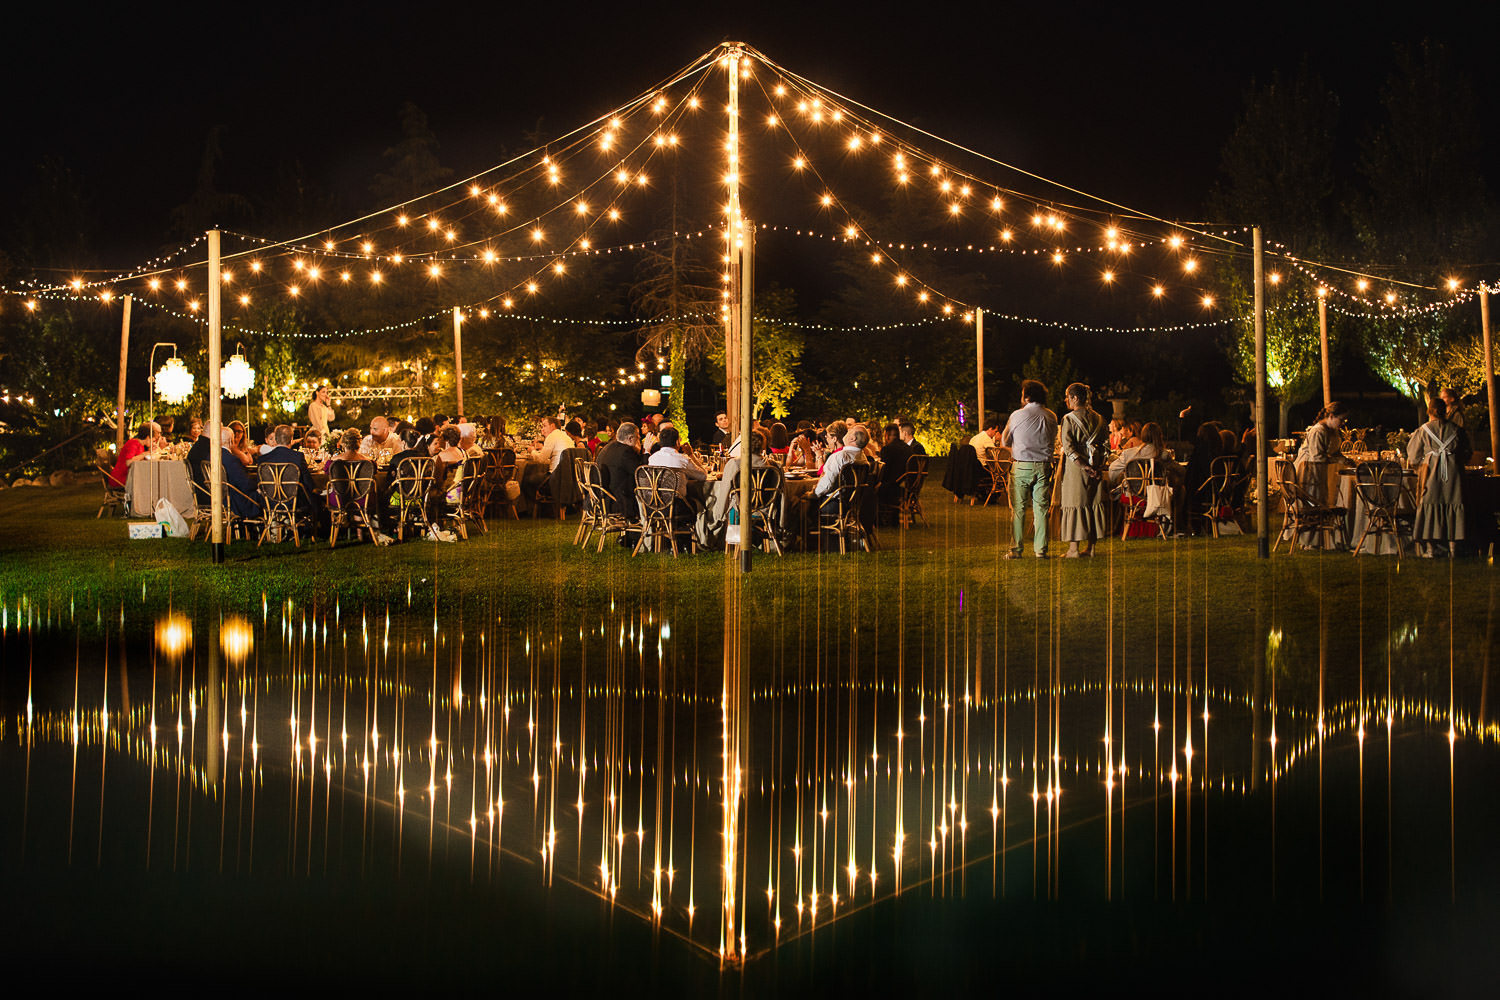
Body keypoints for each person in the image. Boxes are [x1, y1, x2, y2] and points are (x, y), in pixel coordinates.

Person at [1407, 396, 1470, 557]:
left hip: (1431, 471)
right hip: (1454, 471)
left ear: (1430, 411)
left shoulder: (1423, 430)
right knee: (1453, 503)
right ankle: (1453, 548)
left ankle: (1430, 549)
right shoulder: (1457, 429)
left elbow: (1413, 456)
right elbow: (1467, 452)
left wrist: (1420, 465)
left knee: (1429, 504)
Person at [1001, 380, 1058, 558]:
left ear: (1026, 396)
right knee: (1041, 509)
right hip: (1043, 466)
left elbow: (1004, 441)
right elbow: (1053, 439)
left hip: (1021, 465)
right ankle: (1040, 550)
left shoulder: (1017, 415)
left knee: (1018, 509)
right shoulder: (1051, 416)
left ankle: (1016, 549)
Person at [1058, 383, 1108, 557]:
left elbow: (1069, 447)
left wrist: (1084, 466)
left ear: (1075, 398)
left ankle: (1074, 549)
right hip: (1096, 467)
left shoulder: (1068, 419)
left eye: (1068, 396)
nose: (1066, 400)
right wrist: (1098, 466)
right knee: (1092, 504)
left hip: (1077, 468)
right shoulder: (1100, 419)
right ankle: (1091, 548)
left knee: (1075, 503)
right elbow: (1106, 447)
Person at [699, 429, 769, 548]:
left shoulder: (735, 464)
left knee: (728, 500)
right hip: (767, 508)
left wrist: (719, 516)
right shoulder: (772, 465)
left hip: (741, 508)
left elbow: (725, 490)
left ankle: (728, 541)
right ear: (762, 445)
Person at [259, 423, 323, 526]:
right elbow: (307, 481)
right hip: (293, 502)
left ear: (276, 438)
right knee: (317, 497)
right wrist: (316, 490)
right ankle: (319, 529)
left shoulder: (263, 459)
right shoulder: (297, 457)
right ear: (291, 438)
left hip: (270, 502)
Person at [596, 421, 646, 536]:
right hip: (618, 501)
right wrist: (646, 452)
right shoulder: (625, 452)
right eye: (637, 438)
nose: (638, 440)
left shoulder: (608, 447)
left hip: (602, 500)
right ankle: (645, 538)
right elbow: (641, 475)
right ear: (630, 438)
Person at [522, 414, 574, 499]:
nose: (542, 429)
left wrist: (532, 451)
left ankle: (535, 509)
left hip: (554, 479)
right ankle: (545, 505)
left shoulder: (552, 436)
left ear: (552, 426)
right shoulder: (566, 437)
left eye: (544, 426)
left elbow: (541, 460)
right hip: (568, 479)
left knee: (526, 481)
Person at [814, 424, 869, 498]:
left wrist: (813, 493)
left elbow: (826, 485)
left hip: (835, 502)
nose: (846, 432)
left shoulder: (839, 456)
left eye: (849, 431)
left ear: (852, 438)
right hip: (854, 502)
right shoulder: (863, 457)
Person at [876, 422, 913, 508]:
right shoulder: (908, 448)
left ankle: (877, 519)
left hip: (893, 487)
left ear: (887, 435)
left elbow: (884, 473)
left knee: (869, 489)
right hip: (906, 486)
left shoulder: (888, 449)